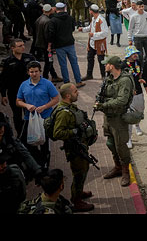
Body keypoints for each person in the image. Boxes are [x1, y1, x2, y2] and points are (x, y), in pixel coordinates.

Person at [50, 83, 96, 212]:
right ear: (68, 95)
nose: (78, 93)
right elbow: (57, 133)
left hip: (80, 145)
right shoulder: (63, 113)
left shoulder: (70, 107)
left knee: (84, 169)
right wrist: (75, 131)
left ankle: (79, 192)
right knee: (79, 173)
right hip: (74, 149)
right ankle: (76, 201)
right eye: (76, 91)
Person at [94, 55, 135, 187]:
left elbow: (122, 100)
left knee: (121, 146)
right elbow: (103, 94)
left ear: (112, 66)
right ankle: (117, 167)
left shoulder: (124, 80)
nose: (105, 65)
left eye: (107, 64)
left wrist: (103, 105)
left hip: (119, 117)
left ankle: (125, 171)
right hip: (109, 117)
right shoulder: (109, 78)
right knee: (111, 143)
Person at [16, 61, 59, 170]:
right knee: (25, 142)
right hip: (29, 118)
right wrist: (26, 105)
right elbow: (18, 101)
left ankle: (45, 166)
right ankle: (36, 162)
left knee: (44, 143)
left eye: (36, 71)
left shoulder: (47, 84)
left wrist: (44, 107)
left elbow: (56, 99)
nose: (34, 74)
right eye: (31, 72)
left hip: (45, 118)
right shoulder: (24, 85)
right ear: (28, 72)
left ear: (40, 72)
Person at [0, 39, 38, 136]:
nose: (23, 47)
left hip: (29, 92)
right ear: (12, 48)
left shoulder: (29, 58)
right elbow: (3, 79)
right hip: (14, 93)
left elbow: (37, 74)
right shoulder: (7, 62)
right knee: (17, 115)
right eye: (19, 46)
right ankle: (20, 135)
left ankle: (30, 133)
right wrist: (3, 95)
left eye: (23, 45)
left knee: (30, 113)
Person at [46, 3, 84, 88]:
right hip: (70, 43)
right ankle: (78, 81)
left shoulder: (53, 20)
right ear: (64, 8)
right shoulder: (70, 18)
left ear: (56, 9)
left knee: (63, 65)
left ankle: (67, 83)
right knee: (74, 63)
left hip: (59, 45)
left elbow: (51, 34)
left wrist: (49, 45)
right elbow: (73, 28)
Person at [78, 4, 109, 82]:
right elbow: (90, 28)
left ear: (91, 11)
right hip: (92, 43)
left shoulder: (101, 20)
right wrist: (83, 29)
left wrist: (94, 35)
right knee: (90, 58)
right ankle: (89, 74)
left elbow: (105, 33)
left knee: (101, 60)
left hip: (99, 43)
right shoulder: (94, 19)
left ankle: (103, 75)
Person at [33, 4, 60, 83]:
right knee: (49, 61)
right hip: (46, 45)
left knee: (48, 60)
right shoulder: (48, 21)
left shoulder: (39, 19)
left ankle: (54, 75)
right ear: (50, 10)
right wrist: (49, 45)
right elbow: (48, 35)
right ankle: (45, 77)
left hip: (40, 43)